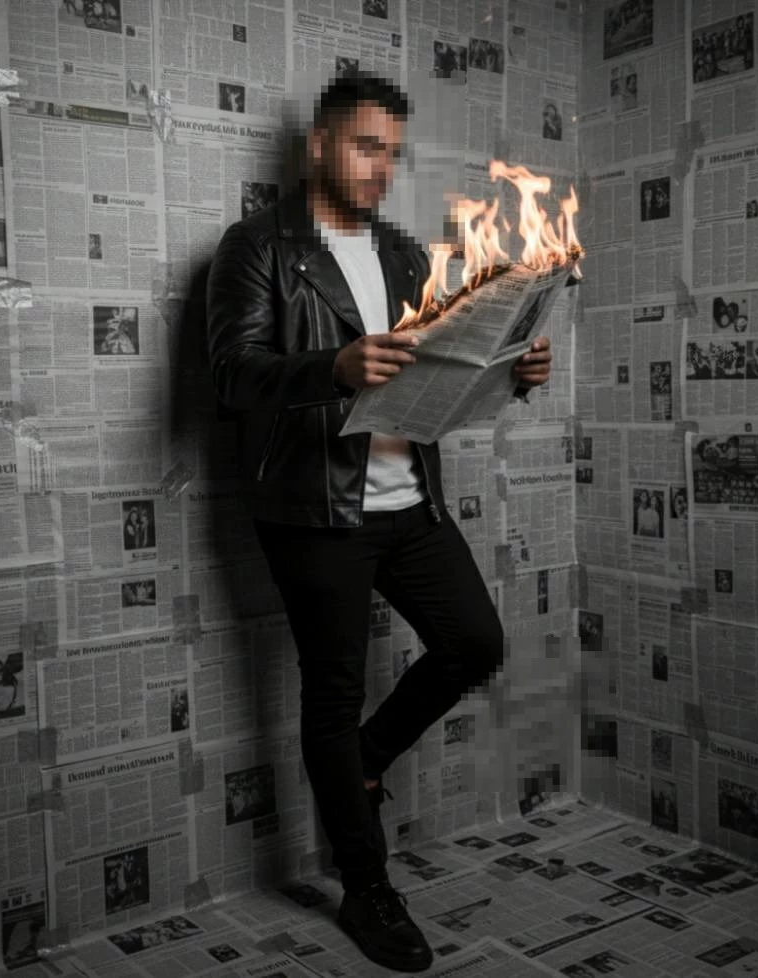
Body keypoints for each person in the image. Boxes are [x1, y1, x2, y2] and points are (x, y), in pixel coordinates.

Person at [206, 71, 552, 973]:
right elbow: (232, 377)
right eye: (365, 147)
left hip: (411, 500)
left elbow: (444, 364)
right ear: (319, 143)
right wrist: (333, 367)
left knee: (474, 643)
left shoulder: (403, 251)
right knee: (331, 691)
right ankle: (367, 887)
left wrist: (516, 366)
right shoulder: (257, 249)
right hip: (318, 513)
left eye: (392, 153)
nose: (380, 167)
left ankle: (361, 760)